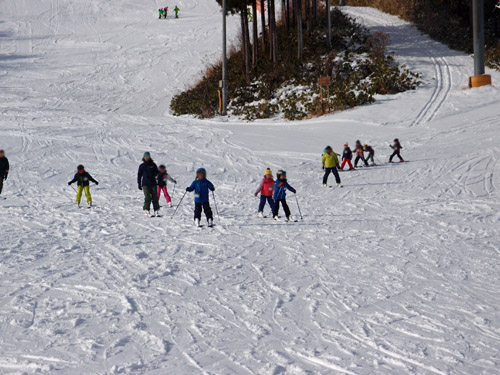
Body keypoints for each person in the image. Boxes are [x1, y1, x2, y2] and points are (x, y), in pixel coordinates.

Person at [138, 152, 161, 216]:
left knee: (155, 197)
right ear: (144, 158)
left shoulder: (153, 165)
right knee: (147, 197)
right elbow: (139, 175)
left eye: (148, 157)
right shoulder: (142, 166)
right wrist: (139, 184)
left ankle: (156, 210)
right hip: (145, 184)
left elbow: (157, 173)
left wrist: (158, 175)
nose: (146, 158)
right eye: (145, 157)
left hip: (153, 183)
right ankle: (146, 210)